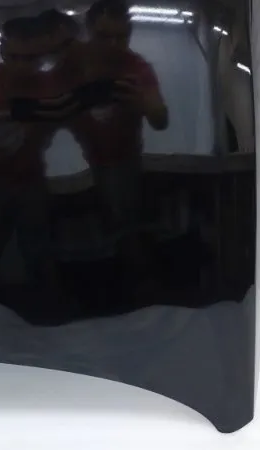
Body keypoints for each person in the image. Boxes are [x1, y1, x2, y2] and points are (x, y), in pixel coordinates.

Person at [67, 0, 168, 294]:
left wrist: (143, 103)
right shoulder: (72, 65)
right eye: (103, 36)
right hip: (77, 164)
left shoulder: (136, 68)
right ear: (89, 32)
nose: (113, 45)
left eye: (121, 37)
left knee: (125, 229)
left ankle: (135, 288)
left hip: (123, 162)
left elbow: (161, 119)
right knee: (93, 235)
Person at [0, 16, 66, 300]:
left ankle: (47, 307)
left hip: (30, 180)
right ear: (3, 52)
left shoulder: (50, 86)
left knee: (38, 250)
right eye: (14, 57)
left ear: (40, 57)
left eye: (29, 58)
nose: (20, 65)